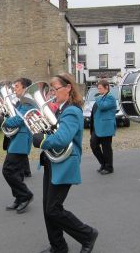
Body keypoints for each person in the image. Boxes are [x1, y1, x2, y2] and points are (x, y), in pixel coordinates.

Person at [33, 73, 98, 253]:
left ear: (68, 88)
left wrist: (42, 140)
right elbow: (55, 131)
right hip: (53, 162)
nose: (52, 93)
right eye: (51, 89)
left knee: (53, 208)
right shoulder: (59, 110)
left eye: (55, 89)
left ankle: (87, 235)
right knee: (48, 209)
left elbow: (61, 139)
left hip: (65, 164)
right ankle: (58, 246)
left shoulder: (72, 111)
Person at [0, 78, 34, 214]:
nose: (14, 89)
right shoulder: (21, 103)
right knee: (16, 172)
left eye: (17, 86)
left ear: (25, 88)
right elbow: (14, 115)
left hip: (21, 140)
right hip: (16, 139)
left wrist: (3, 121)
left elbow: (19, 119)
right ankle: (19, 198)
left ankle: (26, 195)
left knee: (7, 170)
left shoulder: (29, 103)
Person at [90, 80, 117, 175]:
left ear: (107, 88)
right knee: (93, 145)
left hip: (106, 127)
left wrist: (98, 97)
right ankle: (103, 163)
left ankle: (109, 167)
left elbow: (102, 107)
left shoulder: (110, 98)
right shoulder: (101, 97)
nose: (98, 90)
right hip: (96, 128)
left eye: (100, 88)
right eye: (98, 88)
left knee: (106, 148)